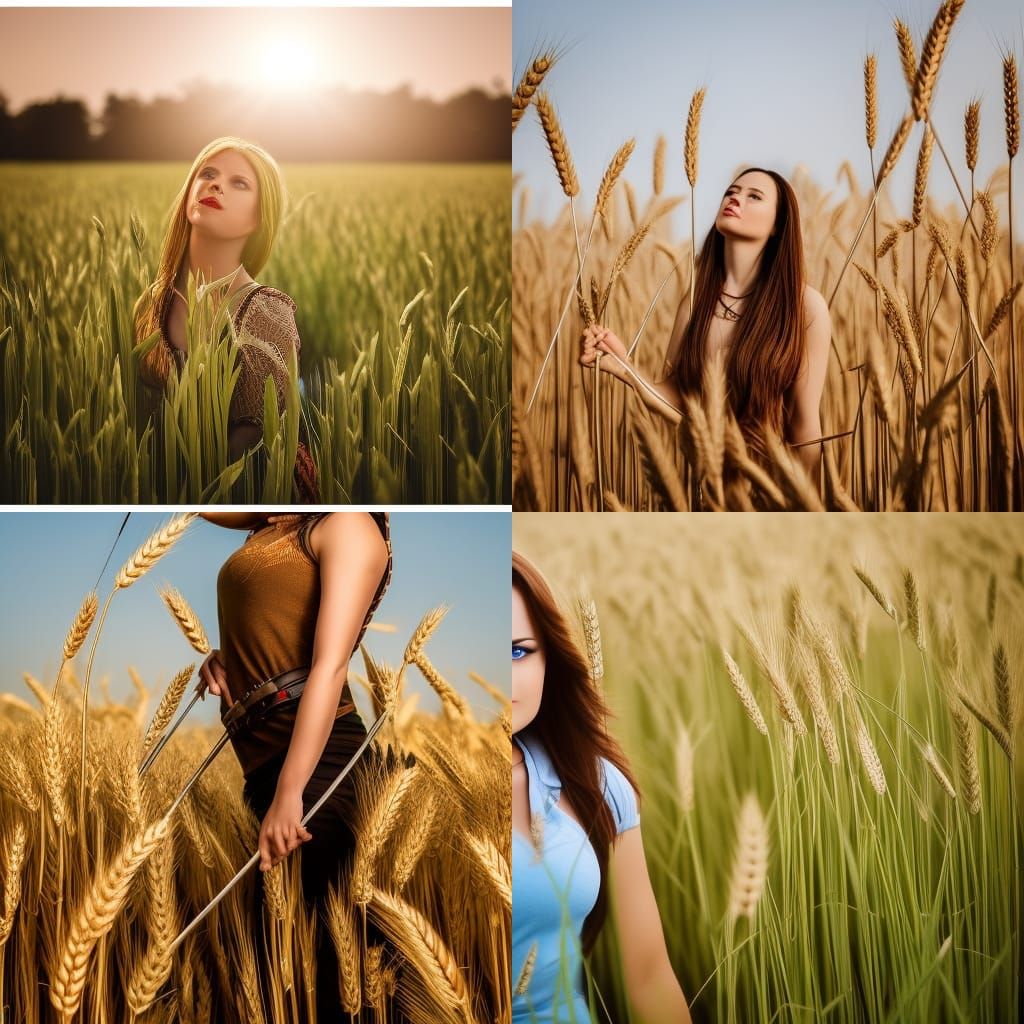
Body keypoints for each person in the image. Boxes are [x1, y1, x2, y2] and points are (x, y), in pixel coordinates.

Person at [194, 511, 392, 1017]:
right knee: (281, 967)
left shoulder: (346, 524)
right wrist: (228, 657)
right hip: (266, 771)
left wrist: (291, 792)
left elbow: (330, 664)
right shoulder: (270, 526)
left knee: (323, 970)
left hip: (319, 772)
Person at [511, 551, 692, 1023]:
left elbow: (650, 974)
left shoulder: (593, 780)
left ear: (551, 658)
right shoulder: (407, 790)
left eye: (518, 651)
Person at [580, 167, 831, 486]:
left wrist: (803, 509)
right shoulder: (698, 298)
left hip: (773, 490)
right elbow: (680, 397)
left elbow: (805, 427)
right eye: (732, 192)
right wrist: (623, 367)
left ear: (777, 226)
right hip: (709, 489)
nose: (736, 198)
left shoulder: (805, 307)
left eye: (754, 196)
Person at [131, 138, 318, 500]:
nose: (216, 185)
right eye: (208, 173)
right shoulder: (151, 305)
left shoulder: (266, 313)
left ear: (259, 218)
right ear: (189, 192)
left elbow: (255, 442)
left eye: (240, 183)